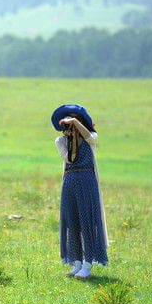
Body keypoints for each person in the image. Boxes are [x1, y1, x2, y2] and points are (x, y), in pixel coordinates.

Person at [51, 104, 109, 279]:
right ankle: (76, 262)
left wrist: (76, 122)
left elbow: (90, 138)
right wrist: (71, 136)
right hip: (70, 181)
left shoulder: (91, 138)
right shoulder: (61, 141)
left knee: (87, 221)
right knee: (72, 222)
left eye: (75, 120)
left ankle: (88, 264)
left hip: (87, 180)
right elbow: (68, 158)